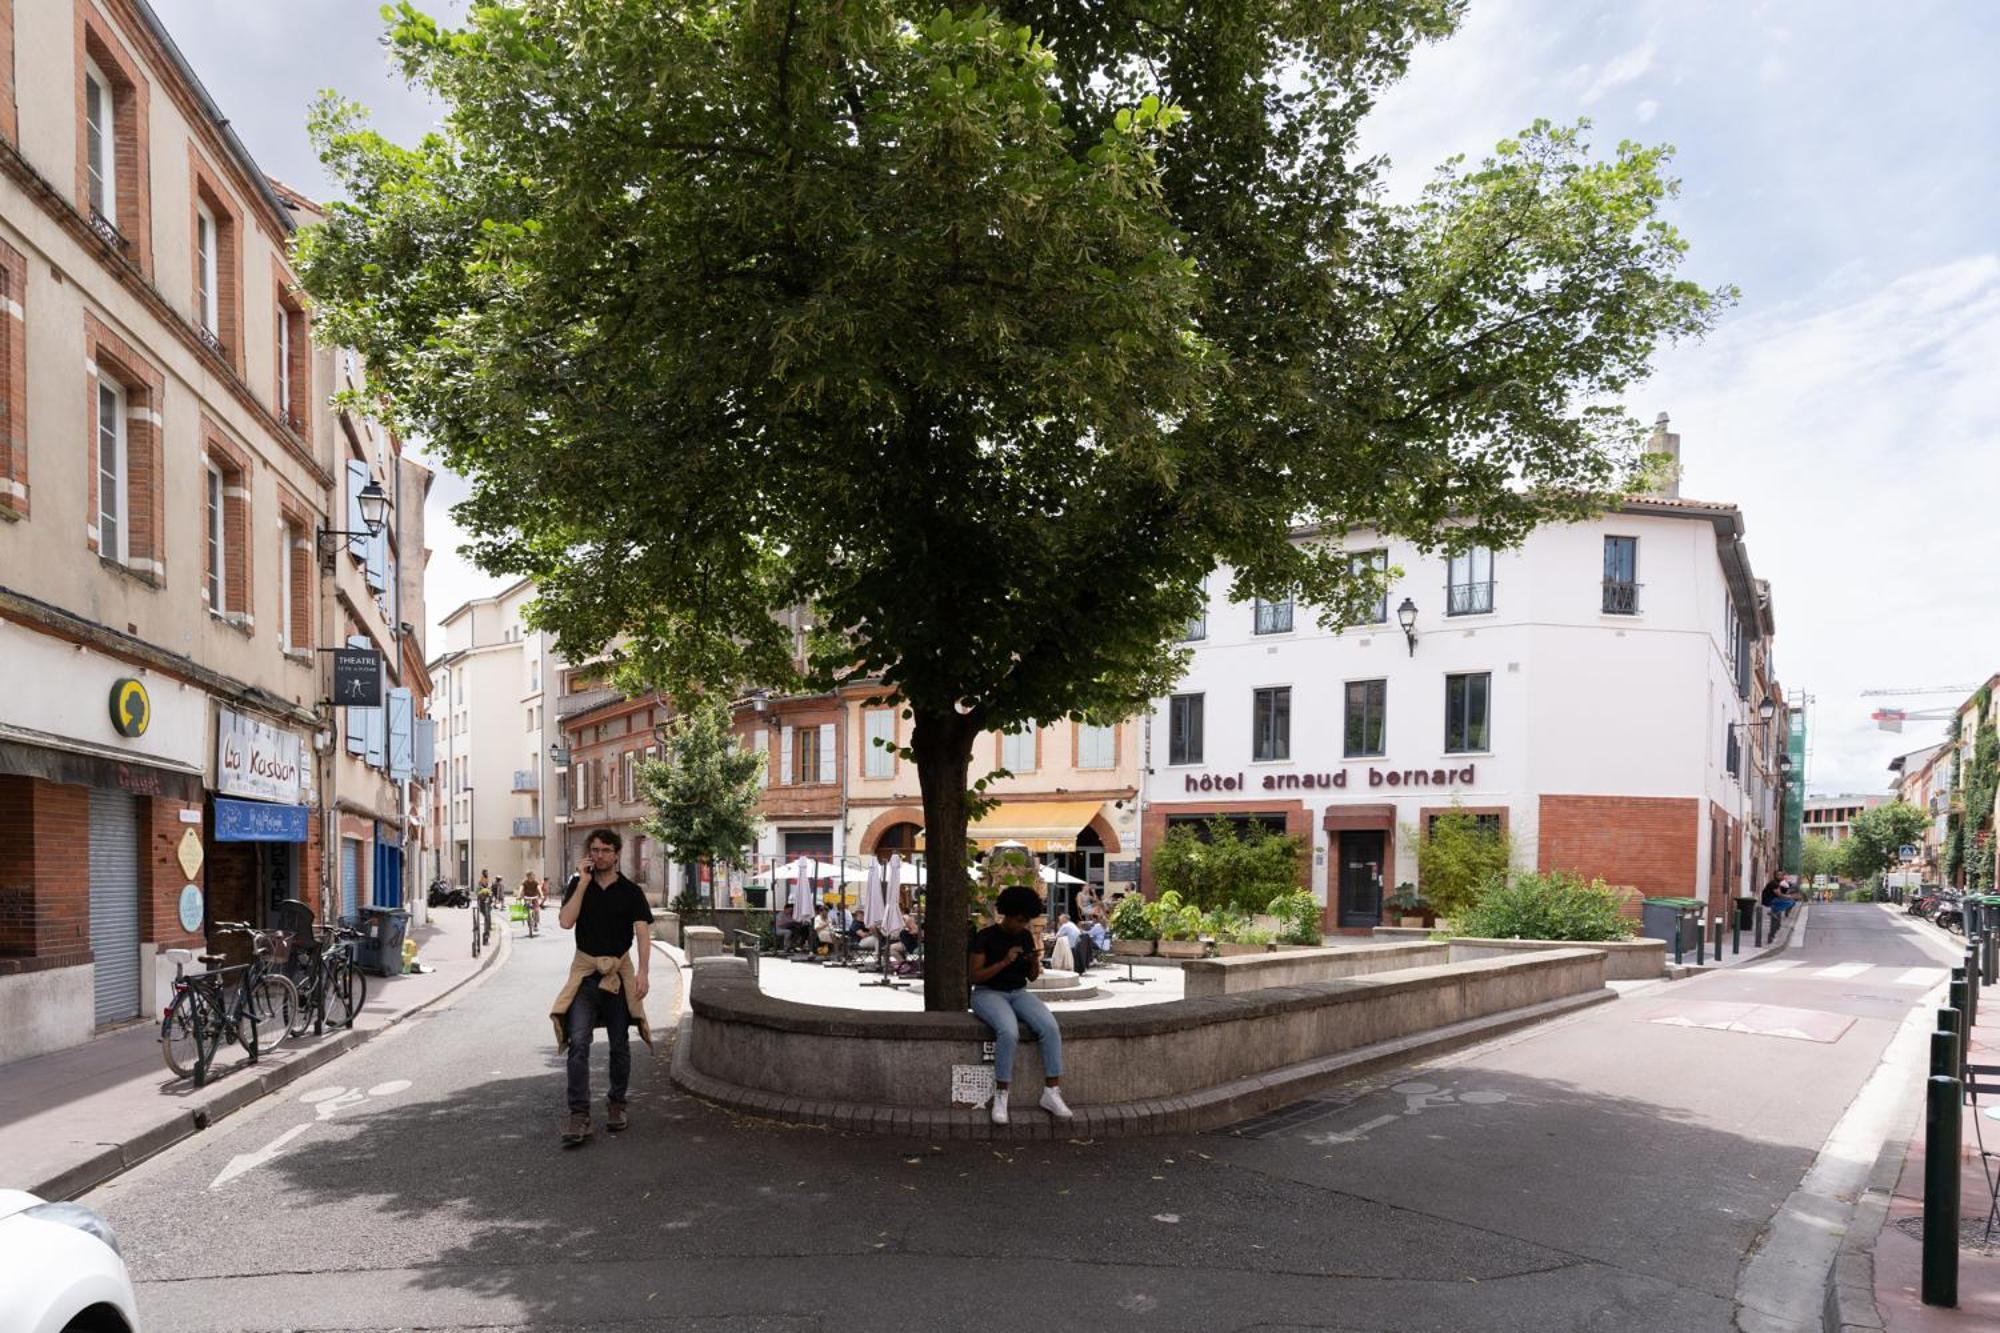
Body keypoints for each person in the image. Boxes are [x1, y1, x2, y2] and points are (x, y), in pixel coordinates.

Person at [551, 828, 655, 1146]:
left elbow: (642, 933)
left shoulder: (631, 892)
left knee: (619, 1044)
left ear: (616, 853)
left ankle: (616, 1103)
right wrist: (582, 883)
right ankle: (579, 1114)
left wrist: (643, 973)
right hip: (585, 976)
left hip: (616, 977)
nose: (599, 855)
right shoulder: (578, 884)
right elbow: (566, 922)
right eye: (594, 850)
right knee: (578, 1042)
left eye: (605, 850)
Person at [969, 885, 1073, 1126]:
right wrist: (1005, 961)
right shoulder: (985, 937)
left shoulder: (1025, 936)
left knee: (1050, 1028)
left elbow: (1033, 978)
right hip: (988, 993)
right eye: (1019, 920)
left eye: (1026, 921)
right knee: (1008, 1031)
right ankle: (1002, 1095)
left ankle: (1051, 1092)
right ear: (1006, 913)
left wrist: (1034, 959)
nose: (1022, 925)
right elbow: (974, 977)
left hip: (1017, 992)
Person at [521, 872, 544, 937]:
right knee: (526, 910)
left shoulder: (535, 882)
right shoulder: (525, 882)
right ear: (527, 877)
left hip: (534, 898)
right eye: (529, 877)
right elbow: (521, 888)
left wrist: (541, 895)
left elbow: (539, 888)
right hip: (527, 898)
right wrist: (519, 895)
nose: (531, 878)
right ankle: (529, 922)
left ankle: (536, 923)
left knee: (536, 910)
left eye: (532, 877)